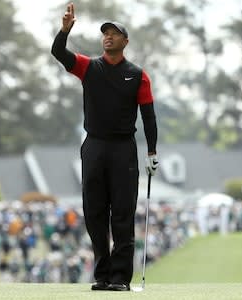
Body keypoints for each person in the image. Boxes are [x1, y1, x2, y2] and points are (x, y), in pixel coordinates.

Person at [51, 3, 158, 291]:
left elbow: (148, 115)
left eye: (114, 33)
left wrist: (152, 151)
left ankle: (121, 278)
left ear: (125, 41)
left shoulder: (138, 75)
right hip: (94, 146)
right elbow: (59, 53)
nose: (108, 37)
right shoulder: (90, 67)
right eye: (105, 33)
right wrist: (65, 30)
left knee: (122, 213)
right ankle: (103, 275)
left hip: (124, 149)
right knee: (95, 212)